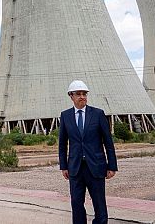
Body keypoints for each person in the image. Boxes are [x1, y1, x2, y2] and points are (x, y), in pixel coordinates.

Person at [58, 80, 117, 224]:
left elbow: (108, 142)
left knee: (99, 203)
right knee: (76, 203)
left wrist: (112, 166)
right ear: (71, 96)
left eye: (84, 94)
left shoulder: (97, 114)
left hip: (96, 166)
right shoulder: (65, 116)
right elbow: (62, 144)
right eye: (78, 94)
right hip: (75, 168)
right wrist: (64, 166)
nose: (82, 97)